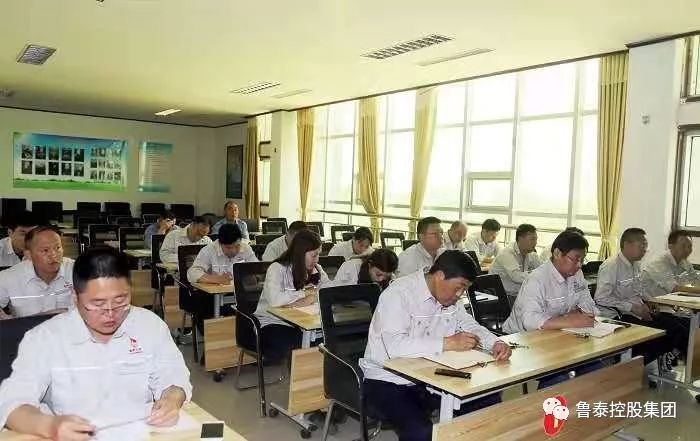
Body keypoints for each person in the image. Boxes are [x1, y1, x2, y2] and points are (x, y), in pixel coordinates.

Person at [0, 248, 191, 438]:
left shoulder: (149, 325)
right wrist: (50, 426)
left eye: (120, 300)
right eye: (98, 304)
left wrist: (172, 398)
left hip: (139, 432)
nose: (110, 313)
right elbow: (12, 403)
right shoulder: (45, 337)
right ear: (75, 298)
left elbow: (174, 375)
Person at [360, 250, 512, 441]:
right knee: (421, 432)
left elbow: (469, 324)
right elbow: (395, 347)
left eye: (464, 289)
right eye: (459, 287)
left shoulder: (450, 298)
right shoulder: (398, 294)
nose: (460, 295)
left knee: (488, 401)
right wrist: (448, 343)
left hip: (430, 376)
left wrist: (495, 342)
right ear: (439, 276)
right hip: (387, 380)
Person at [502, 231, 599, 388]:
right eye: (575, 259)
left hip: (558, 335)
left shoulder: (577, 274)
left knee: (596, 368)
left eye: (582, 260)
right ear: (557, 253)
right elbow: (530, 321)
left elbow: (589, 305)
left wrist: (571, 318)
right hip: (522, 340)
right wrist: (570, 320)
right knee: (559, 378)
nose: (579, 265)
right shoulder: (537, 279)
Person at [595, 228, 689, 369]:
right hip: (619, 316)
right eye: (642, 245)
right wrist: (633, 308)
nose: (645, 250)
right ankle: (630, 368)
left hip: (639, 311)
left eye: (646, 246)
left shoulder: (636, 264)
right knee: (658, 336)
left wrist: (651, 303)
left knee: (679, 327)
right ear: (627, 245)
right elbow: (600, 298)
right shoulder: (611, 266)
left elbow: (640, 290)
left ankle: (665, 361)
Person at [255, 230, 330, 359]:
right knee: (301, 345)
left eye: (318, 255)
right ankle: (301, 371)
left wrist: (311, 298)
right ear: (300, 253)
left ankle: (310, 372)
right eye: (314, 255)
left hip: (303, 322)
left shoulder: (317, 269)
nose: (317, 259)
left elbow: (329, 291)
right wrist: (304, 294)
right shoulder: (277, 268)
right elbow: (275, 300)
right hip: (274, 322)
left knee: (328, 341)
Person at [0, 226, 74, 319]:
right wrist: (9, 322)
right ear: (29, 255)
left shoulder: (77, 269)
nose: (54, 255)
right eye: (45, 250)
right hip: (26, 327)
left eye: (57, 248)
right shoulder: (10, 276)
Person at [187, 223, 258, 285]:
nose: (233, 251)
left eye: (237, 246)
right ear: (220, 244)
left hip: (241, 292)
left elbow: (258, 269)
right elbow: (192, 273)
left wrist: (255, 277)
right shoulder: (209, 250)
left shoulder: (246, 248)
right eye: (228, 248)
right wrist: (216, 279)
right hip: (216, 294)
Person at [489, 224, 542, 303]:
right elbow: (516, 277)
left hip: (518, 295)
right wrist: (537, 274)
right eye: (532, 239)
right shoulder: (507, 253)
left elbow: (542, 270)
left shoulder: (531, 254)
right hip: (502, 297)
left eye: (536, 239)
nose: (535, 243)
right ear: (520, 239)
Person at [641, 230, 700, 297]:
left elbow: (696, 280)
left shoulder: (685, 263)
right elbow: (674, 288)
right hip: (648, 302)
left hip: (669, 300)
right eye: (683, 246)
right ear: (670, 246)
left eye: (689, 246)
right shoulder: (659, 263)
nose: (687, 250)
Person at [331, 248, 399, 290]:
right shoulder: (350, 268)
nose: (381, 279)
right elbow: (335, 293)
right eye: (378, 274)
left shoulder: (392, 278)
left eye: (386, 276)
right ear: (370, 265)